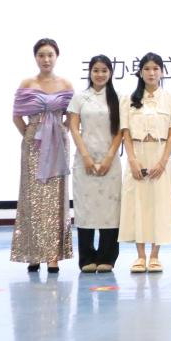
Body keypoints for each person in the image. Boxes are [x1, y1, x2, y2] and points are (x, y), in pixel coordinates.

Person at [11, 38, 74, 273]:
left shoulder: (66, 84)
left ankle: (53, 256)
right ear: (35, 57)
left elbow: (72, 114)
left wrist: (61, 130)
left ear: (57, 57)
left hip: (58, 144)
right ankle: (33, 253)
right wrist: (30, 134)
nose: (46, 59)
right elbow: (17, 116)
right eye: (41, 55)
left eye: (50, 55)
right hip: (34, 146)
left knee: (56, 199)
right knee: (32, 198)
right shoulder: (27, 83)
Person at [119, 53, 171, 273]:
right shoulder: (128, 100)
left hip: (160, 154)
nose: (151, 73)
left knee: (159, 205)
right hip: (137, 154)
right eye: (147, 69)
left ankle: (155, 255)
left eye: (155, 68)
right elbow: (125, 133)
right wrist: (132, 160)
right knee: (137, 204)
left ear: (162, 71)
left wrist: (163, 162)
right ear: (140, 72)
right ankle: (140, 255)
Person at [67, 55, 122, 273]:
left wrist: (109, 157)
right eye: (96, 70)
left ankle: (107, 256)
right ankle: (87, 257)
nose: (100, 74)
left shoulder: (118, 98)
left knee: (111, 209)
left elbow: (121, 131)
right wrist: (86, 156)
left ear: (111, 73)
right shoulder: (80, 98)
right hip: (84, 162)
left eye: (104, 71)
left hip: (110, 162)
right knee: (85, 209)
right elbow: (73, 128)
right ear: (89, 72)